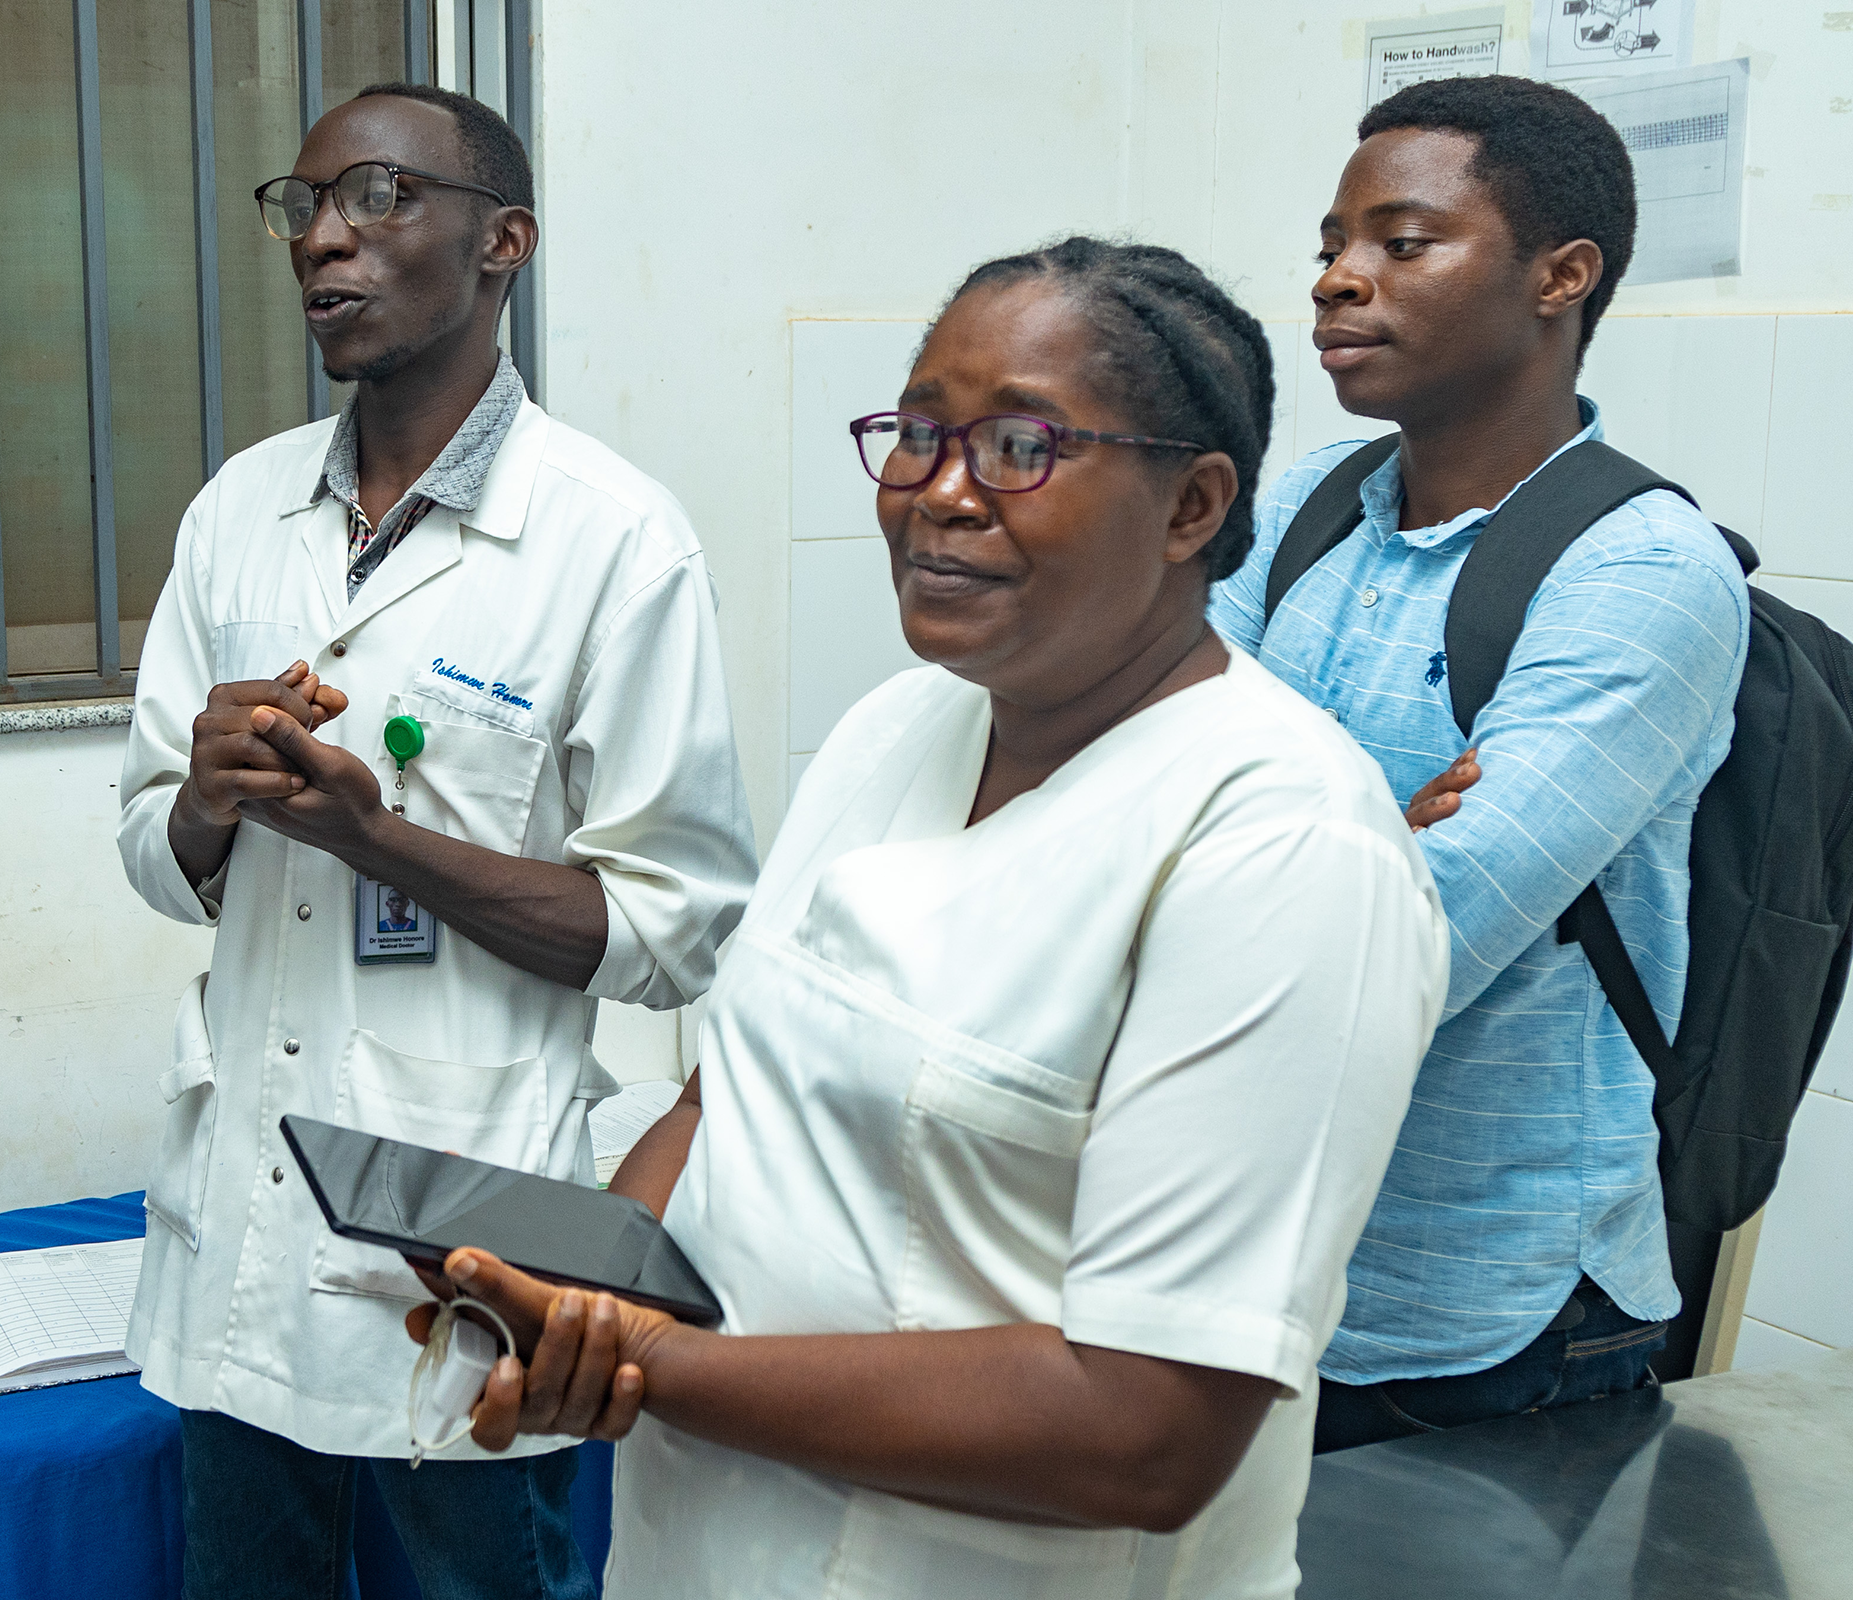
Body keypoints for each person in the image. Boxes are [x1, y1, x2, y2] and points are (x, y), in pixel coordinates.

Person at [408, 238, 1450, 1599]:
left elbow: (1147, 1427)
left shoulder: (1281, 843)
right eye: (916, 434)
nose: (940, 494)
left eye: (1020, 447)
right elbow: (725, 1100)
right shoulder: (895, 728)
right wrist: (577, 1303)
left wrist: (652, 1366)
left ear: (1192, 504)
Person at [116, 83, 757, 1600]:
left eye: (380, 196)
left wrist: (380, 840)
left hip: (468, 1242)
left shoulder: (613, 540)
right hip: (241, 1223)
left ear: (503, 242)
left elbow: (673, 931)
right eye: (305, 206)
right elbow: (150, 850)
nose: (323, 238)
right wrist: (207, 797)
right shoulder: (239, 512)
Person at [1206, 76, 1751, 1450]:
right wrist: (1378, 829)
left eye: (1402, 244)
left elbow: (1410, 953)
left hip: (1482, 1322)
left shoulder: (1645, 571)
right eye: (1333, 244)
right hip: (1249, 1271)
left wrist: (1271, 842)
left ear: (1562, 277)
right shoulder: (1302, 503)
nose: (1337, 280)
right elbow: (1122, 796)